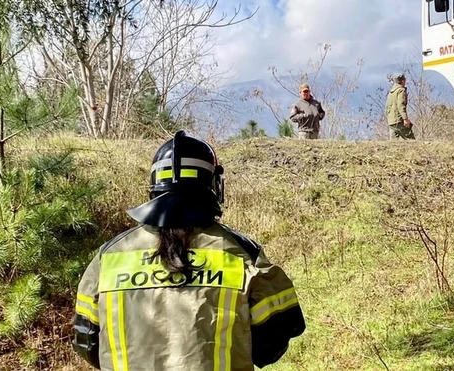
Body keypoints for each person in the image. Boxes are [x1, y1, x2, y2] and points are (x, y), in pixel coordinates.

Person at [73, 130, 305, 371]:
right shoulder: (242, 253)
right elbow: (272, 345)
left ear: (153, 188)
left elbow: (86, 342)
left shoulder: (108, 257)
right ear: (214, 186)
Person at [385, 74, 415, 139]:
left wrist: (389, 118)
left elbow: (386, 107)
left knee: (393, 144)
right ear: (403, 81)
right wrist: (405, 119)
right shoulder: (401, 90)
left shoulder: (391, 92)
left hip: (391, 121)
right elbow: (401, 105)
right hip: (398, 120)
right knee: (411, 140)